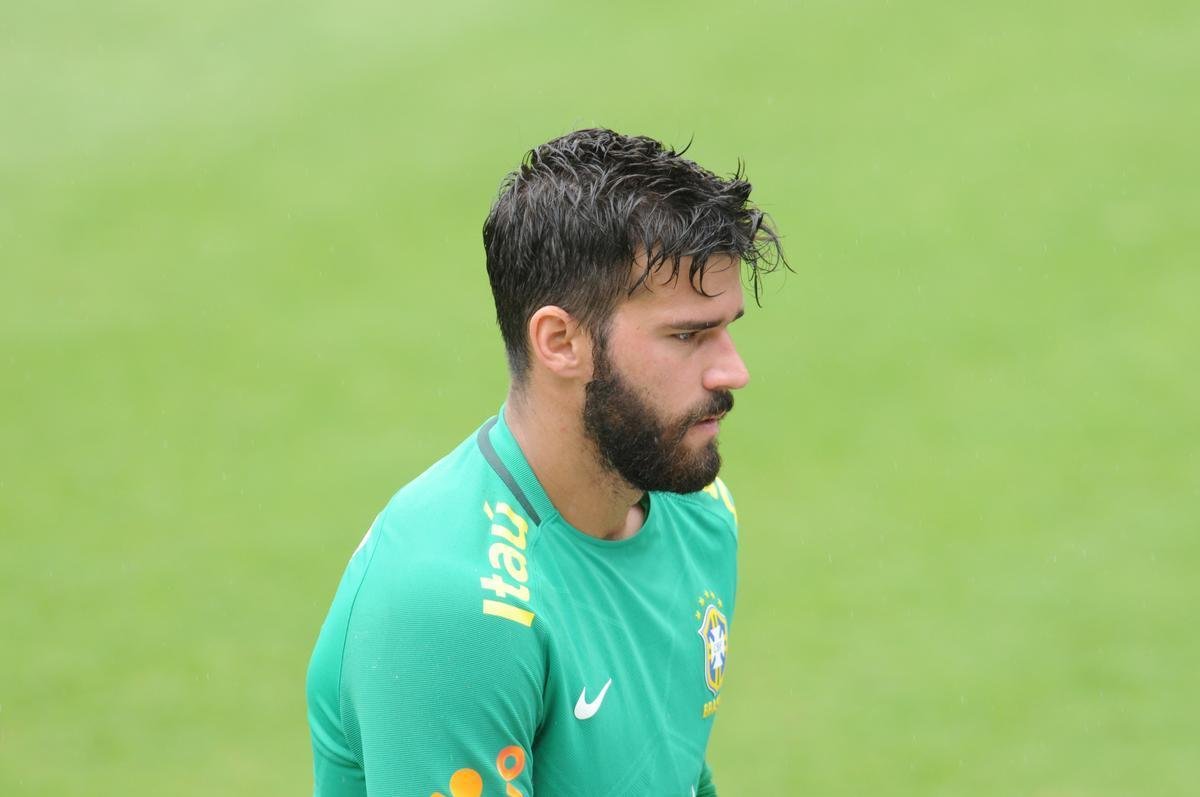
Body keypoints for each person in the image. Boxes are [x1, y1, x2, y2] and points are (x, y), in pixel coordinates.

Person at [306, 128, 786, 796]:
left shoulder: (699, 514)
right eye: (688, 335)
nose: (733, 371)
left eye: (727, 328)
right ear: (561, 342)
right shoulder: (453, 608)